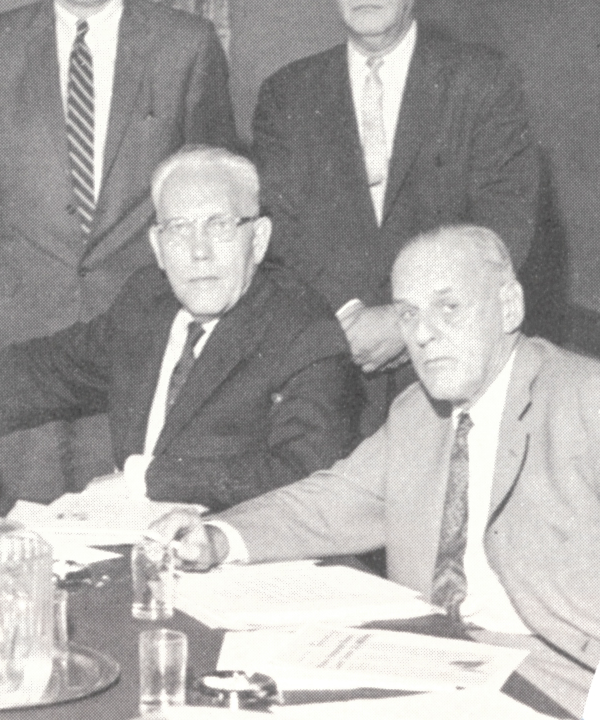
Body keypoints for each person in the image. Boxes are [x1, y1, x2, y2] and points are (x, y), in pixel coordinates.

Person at [152, 225, 599, 718]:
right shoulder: (418, 412)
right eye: (408, 313)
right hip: (443, 660)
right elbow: (333, 501)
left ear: (509, 306)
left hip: (560, 680)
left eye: (448, 307)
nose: (423, 334)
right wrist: (217, 536)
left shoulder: (584, 400)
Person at [0, 0, 238, 499]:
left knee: (127, 525)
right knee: (25, 527)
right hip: (20, 341)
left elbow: (219, 200)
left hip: (140, 338)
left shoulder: (184, 47)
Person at [251, 0, 539, 435]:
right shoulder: (287, 94)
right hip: (328, 370)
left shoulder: (482, 82)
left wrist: (405, 323)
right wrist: (349, 325)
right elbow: (279, 232)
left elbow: (503, 226)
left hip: (449, 367)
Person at [0, 146, 359, 510]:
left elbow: (305, 473)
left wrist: (145, 480)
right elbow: (49, 371)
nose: (199, 250)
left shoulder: (302, 329)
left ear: (258, 240)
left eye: (219, 225)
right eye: (178, 229)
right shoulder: (147, 302)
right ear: (157, 246)